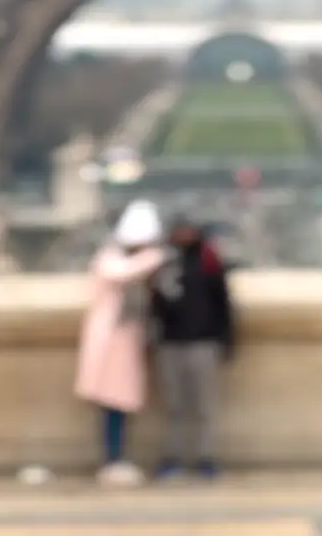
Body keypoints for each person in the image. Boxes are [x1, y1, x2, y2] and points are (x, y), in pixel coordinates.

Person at [74, 198, 169, 486]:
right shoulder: (111, 259)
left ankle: (117, 458)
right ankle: (113, 459)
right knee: (112, 407)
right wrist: (155, 256)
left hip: (125, 344)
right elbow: (120, 272)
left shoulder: (124, 260)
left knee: (120, 407)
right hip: (111, 344)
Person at [151, 215, 235, 480]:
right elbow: (156, 306)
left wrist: (226, 338)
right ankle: (173, 456)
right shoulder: (165, 265)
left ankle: (205, 457)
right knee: (174, 405)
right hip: (171, 343)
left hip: (203, 341)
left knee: (204, 405)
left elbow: (223, 303)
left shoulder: (210, 263)